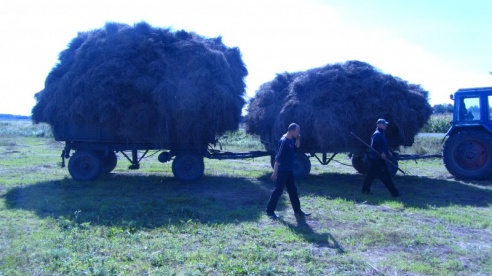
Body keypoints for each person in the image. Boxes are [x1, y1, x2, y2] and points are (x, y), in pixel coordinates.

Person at [266, 123, 310, 219]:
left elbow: (296, 148)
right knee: (278, 190)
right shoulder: (283, 141)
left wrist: (298, 139)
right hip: (282, 171)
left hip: (289, 170)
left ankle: (298, 211)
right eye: (297, 131)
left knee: (293, 191)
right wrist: (275, 172)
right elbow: (278, 157)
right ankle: (270, 211)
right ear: (291, 131)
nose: (299, 133)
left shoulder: (291, 140)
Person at [361, 119, 400, 197]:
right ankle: (394, 193)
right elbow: (374, 146)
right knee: (385, 176)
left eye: (385, 124)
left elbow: (382, 145)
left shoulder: (381, 134)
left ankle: (365, 190)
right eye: (384, 124)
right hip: (377, 159)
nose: (385, 125)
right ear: (378, 125)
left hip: (378, 159)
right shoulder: (377, 134)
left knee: (371, 176)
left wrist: (387, 151)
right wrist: (381, 153)